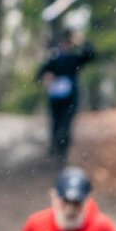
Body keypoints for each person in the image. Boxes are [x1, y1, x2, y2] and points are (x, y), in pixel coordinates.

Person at [36, 30, 96, 161]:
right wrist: (46, 76)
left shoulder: (71, 57)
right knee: (59, 122)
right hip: (59, 97)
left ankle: (60, 150)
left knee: (63, 123)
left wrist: (82, 42)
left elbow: (90, 55)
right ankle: (57, 149)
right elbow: (41, 72)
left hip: (67, 96)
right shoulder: (57, 57)